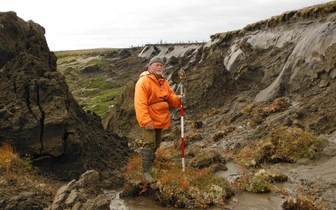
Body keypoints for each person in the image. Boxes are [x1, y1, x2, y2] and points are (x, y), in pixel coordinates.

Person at [134, 56, 182, 183]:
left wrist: (179, 99)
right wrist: (146, 121)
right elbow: (140, 104)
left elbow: (170, 96)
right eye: (156, 65)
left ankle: (151, 163)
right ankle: (146, 172)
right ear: (150, 66)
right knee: (149, 143)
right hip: (149, 118)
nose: (159, 67)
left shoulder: (163, 81)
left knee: (157, 142)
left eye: (161, 65)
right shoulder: (143, 82)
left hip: (160, 118)